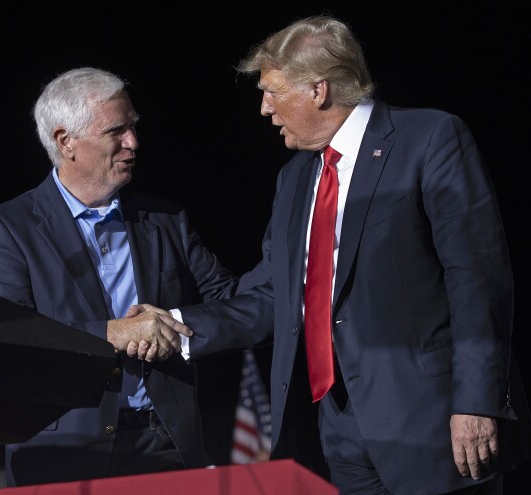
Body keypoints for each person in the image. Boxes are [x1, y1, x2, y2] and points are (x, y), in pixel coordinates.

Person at [150, 15, 530, 495]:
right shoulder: (294, 179)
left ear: (318, 90)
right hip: (338, 429)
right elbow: (275, 296)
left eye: (272, 90)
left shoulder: (429, 138)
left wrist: (477, 402)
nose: (265, 108)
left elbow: (477, 281)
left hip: (433, 423)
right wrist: (176, 325)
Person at [0, 67, 261, 486]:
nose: (133, 143)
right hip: (64, 453)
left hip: (166, 443)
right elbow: (12, 338)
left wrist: (174, 325)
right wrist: (115, 332)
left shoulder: (165, 220)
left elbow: (230, 301)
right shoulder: (7, 228)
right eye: (116, 132)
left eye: (133, 128)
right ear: (64, 141)